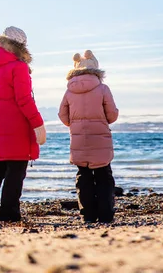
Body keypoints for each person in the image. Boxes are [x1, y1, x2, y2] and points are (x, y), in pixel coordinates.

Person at [0, 26, 47, 223]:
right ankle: (9, 214)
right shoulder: (18, 67)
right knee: (16, 171)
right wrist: (39, 125)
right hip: (18, 127)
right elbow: (24, 99)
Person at [58, 50, 119, 223]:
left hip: (78, 138)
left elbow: (62, 115)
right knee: (103, 175)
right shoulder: (102, 88)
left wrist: (75, 125)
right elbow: (112, 115)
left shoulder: (69, 91)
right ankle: (106, 215)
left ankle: (88, 215)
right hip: (100, 137)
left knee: (83, 175)